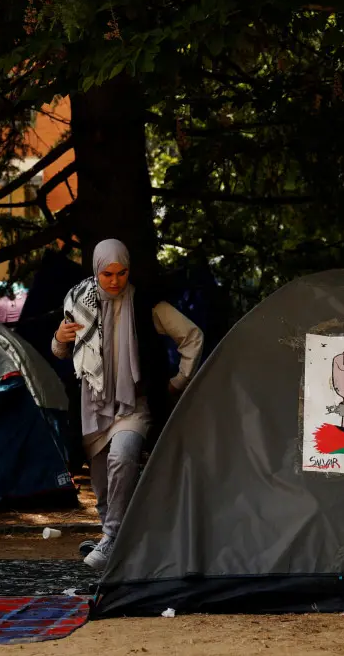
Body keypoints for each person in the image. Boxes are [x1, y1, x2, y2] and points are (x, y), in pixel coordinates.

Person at [51, 239, 204, 570]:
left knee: (123, 457)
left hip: (133, 405)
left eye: (122, 273)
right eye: (107, 273)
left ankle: (111, 539)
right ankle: (115, 542)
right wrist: (59, 339)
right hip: (92, 405)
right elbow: (62, 352)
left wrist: (179, 381)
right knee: (102, 484)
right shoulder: (80, 303)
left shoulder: (146, 304)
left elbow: (192, 336)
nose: (115, 281)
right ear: (96, 270)